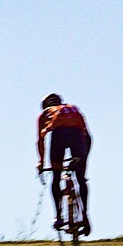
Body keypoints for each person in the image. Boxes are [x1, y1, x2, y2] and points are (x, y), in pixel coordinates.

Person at [36, 93, 92, 237]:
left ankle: (59, 217)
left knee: (56, 176)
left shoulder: (45, 114)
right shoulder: (73, 108)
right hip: (78, 136)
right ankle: (85, 215)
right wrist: (83, 159)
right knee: (81, 179)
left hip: (59, 135)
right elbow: (87, 137)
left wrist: (41, 163)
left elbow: (41, 141)